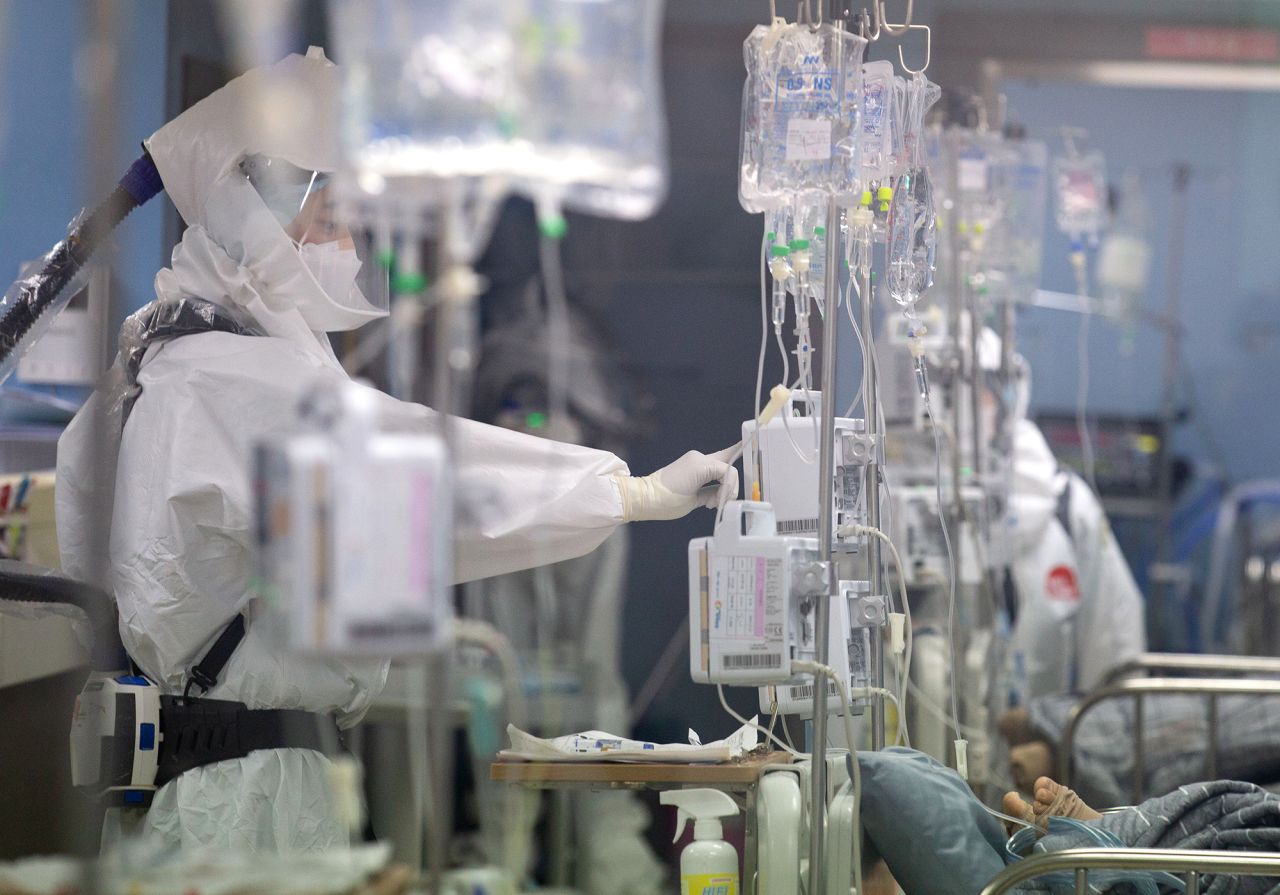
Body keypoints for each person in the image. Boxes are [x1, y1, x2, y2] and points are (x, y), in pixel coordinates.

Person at [54, 49, 738, 852]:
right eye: (326, 213)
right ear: (249, 204)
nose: (344, 243)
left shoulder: (152, 361)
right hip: (244, 801)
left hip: (184, 789)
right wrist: (629, 493)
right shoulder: (234, 380)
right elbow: (431, 478)